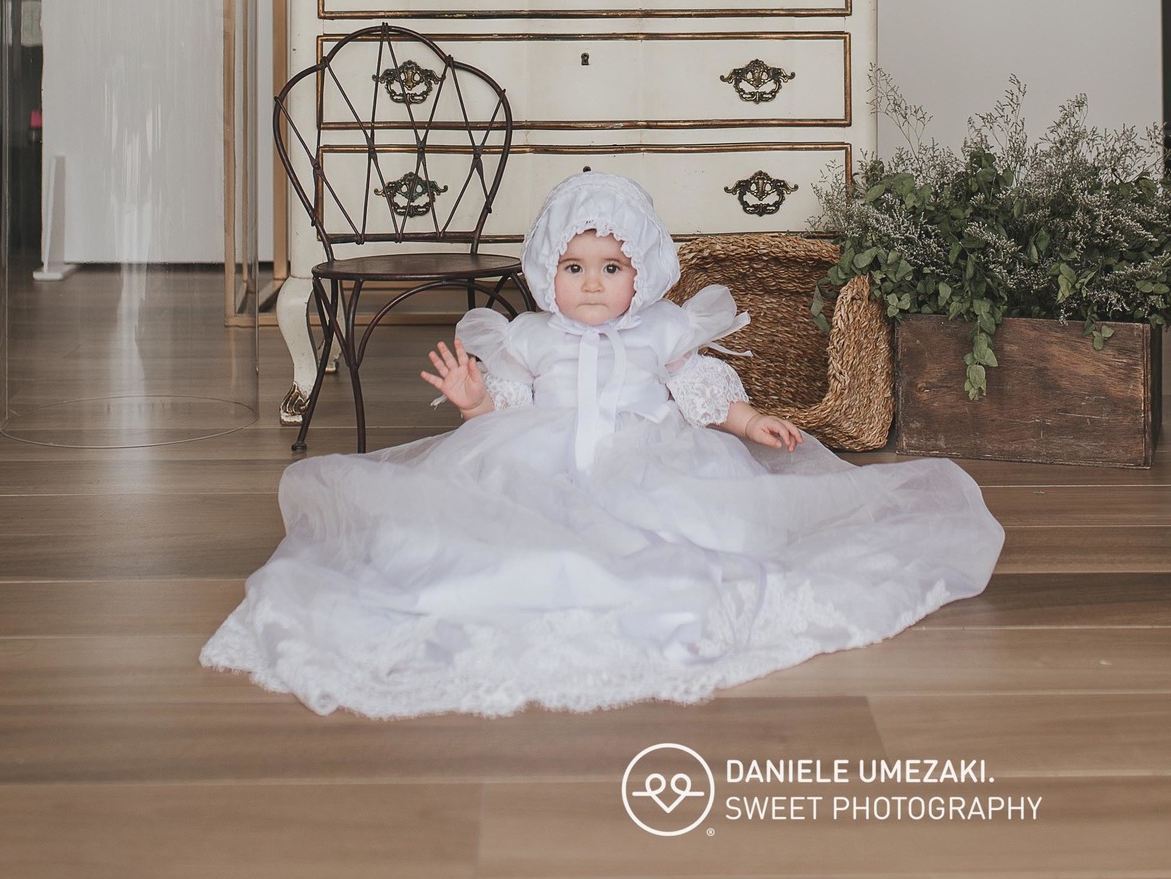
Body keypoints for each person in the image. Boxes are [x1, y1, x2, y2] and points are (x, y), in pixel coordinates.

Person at [200, 172, 1004, 719]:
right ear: (546, 271)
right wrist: (478, 401)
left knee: (707, 535)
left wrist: (748, 422)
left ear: (642, 273)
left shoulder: (662, 331)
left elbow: (699, 392)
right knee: (475, 534)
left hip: (652, 458)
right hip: (537, 456)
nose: (591, 282)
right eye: (574, 265)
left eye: (611, 266)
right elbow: (508, 406)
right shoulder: (528, 336)